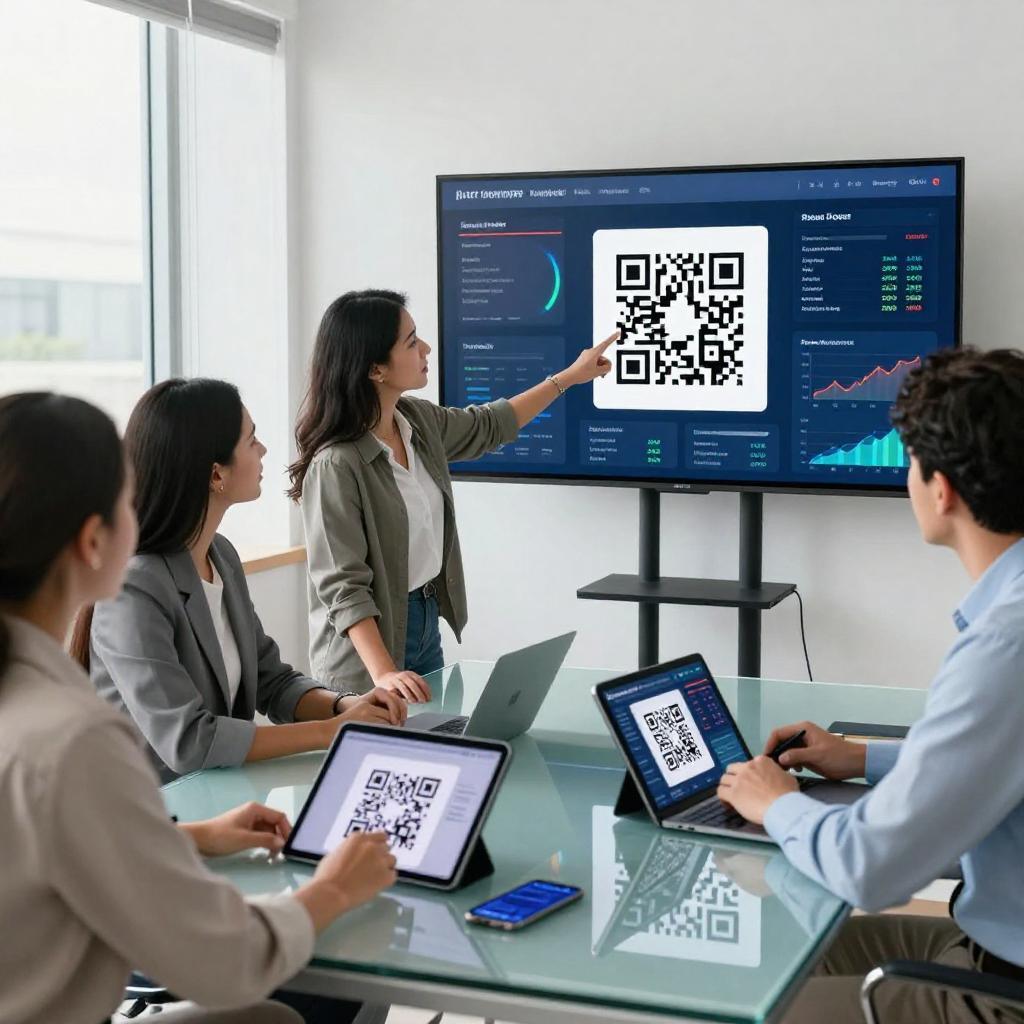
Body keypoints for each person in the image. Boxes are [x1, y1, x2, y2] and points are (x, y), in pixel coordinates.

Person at [0, 392, 397, 1024]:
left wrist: (194, 837)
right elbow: (222, 960)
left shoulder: (30, 707)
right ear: (93, 539)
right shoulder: (73, 738)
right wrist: (336, 889)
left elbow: (48, 843)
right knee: (302, 997)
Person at [717, 347, 1024, 1023]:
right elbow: (998, 764)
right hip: (987, 942)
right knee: (784, 949)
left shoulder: (1007, 643)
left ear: (939, 488)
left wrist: (777, 805)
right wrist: (862, 757)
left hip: (1005, 993)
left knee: (735, 1010)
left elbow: (872, 869)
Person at [288, 288, 616, 696]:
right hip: (366, 652)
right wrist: (385, 672)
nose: (425, 348)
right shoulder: (336, 464)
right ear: (376, 369)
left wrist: (569, 377)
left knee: (436, 748)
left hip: (424, 619)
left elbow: (489, 425)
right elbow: (343, 588)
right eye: (411, 342)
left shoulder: (417, 421)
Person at [84, 378, 405, 783]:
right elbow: (189, 741)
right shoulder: (132, 590)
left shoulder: (221, 556)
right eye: (251, 440)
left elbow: (272, 681)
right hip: (156, 812)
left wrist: (347, 707)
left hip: (222, 792)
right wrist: (329, 732)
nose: (264, 450)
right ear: (216, 474)